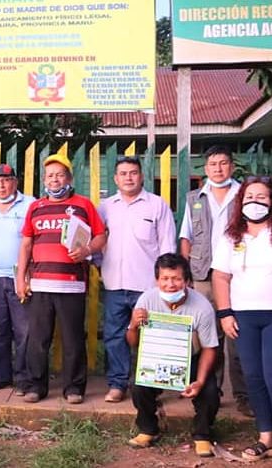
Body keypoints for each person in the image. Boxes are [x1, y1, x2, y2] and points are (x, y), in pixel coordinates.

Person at [212, 176, 272, 467]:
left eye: (262, 197)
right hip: (243, 317)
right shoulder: (232, 235)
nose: (255, 202)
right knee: (253, 377)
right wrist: (225, 313)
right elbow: (220, 275)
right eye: (249, 196)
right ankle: (265, 437)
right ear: (241, 201)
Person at [16, 154, 106, 404]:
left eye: (60, 175)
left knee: (73, 339)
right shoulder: (35, 207)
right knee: (38, 339)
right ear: (45, 180)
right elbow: (25, 244)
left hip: (72, 284)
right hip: (40, 284)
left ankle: (74, 388)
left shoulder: (84, 205)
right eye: (50, 176)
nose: (55, 180)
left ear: (69, 178)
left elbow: (100, 237)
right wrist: (20, 279)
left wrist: (87, 250)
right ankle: (36, 386)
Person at [97, 156, 176, 403]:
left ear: (141, 176)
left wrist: (163, 281)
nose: (128, 178)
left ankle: (150, 385)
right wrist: (100, 265)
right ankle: (118, 384)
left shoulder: (156, 205)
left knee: (149, 335)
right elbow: (97, 240)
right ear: (115, 178)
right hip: (114, 284)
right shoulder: (106, 207)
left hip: (147, 285)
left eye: (133, 173)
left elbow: (167, 244)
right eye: (123, 173)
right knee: (114, 335)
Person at [178, 145, 249, 416]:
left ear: (231, 166)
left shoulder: (244, 195)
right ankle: (211, 390)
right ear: (205, 169)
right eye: (212, 164)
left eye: (223, 163)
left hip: (237, 275)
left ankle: (243, 394)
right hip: (203, 274)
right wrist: (187, 273)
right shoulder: (195, 197)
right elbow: (186, 237)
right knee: (210, 335)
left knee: (236, 334)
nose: (218, 168)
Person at [127, 254, 220, 458]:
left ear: (186, 281)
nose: (170, 284)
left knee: (210, 390)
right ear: (157, 280)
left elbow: (209, 348)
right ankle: (148, 429)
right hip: (156, 356)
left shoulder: (202, 306)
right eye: (165, 279)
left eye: (177, 279)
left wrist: (200, 381)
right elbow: (132, 342)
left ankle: (202, 434)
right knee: (138, 385)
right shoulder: (146, 299)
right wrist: (134, 324)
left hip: (191, 357)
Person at [0, 164, 35, 393]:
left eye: (6, 180)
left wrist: (28, 274)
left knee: (25, 331)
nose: (1, 185)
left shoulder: (30, 204)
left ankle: (24, 379)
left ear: (15, 182)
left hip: (20, 276)